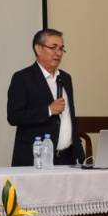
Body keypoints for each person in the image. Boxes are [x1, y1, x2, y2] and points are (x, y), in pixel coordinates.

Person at [6, 28, 85, 167]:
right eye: (53, 47)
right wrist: (48, 110)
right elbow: (14, 116)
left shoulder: (66, 78)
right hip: (36, 159)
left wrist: (79, 151)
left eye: (61, 49)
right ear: (38, 49)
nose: (58, 53)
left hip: (68, 158)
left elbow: (68, 117)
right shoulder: (22, 78)